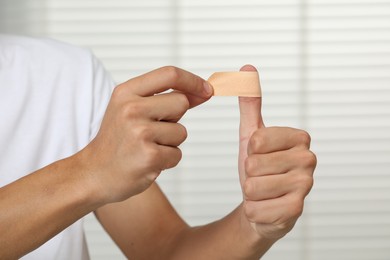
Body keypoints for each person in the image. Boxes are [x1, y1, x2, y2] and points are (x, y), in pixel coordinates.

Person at [0, 34, 316, 260]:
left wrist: (252, 226)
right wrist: (89, 172)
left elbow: (167, 251)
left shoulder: (66, 76)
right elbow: (95, 170)